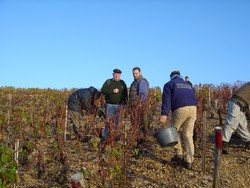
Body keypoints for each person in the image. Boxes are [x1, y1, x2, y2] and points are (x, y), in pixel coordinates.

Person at [159, 70, 197, 170]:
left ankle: (179, 154)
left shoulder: (169, 84)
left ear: (171, 76)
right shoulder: (188, 84)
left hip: (180, 108)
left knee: (173, 131)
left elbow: (167, 100)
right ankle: (189, 160)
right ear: (180, 76)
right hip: (193, 108)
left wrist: (164, 114)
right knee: (188, 134)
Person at [222, 82, 250, 154]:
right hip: (236, 103)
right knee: (231, 123)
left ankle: (248, 141)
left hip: (241, 105)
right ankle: (224, 143)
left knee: (242, 125)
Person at [101, 68, 128, 140]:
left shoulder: (122, 83)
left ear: (120, 75)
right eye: (115, 74)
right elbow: (103, 90)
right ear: (113, 75)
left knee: (118, 122)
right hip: (110, 105)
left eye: (118, 75)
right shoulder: (108, 82)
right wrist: (112, 91)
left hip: (120, 106)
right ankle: (107, 137)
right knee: (108, 122)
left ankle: (117, 138)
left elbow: (125, 94)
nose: (116, 76)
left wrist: (126, 103)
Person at [129, 67, 149, 135]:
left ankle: (143, 137)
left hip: (139, 106)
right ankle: (136, 137)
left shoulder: (142, 81)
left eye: (136, 73)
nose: (134, 75)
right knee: (134, 123)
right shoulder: (134, 82)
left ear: (140, 73)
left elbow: (143, 93)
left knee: (140, 123)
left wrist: (140, 103)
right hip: (133, 106)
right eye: (133, 73)